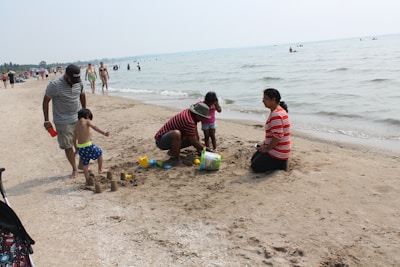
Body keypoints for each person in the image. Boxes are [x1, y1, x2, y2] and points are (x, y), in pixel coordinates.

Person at [42, 64, 86, 178]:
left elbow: (82, 95)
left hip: (77, 116)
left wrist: (84, 112)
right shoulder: (55, 85)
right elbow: (46, 101)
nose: (74, 82)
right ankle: (74, 169)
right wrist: (46, 120)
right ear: (66, 76)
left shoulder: (78, 82)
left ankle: (82, 165)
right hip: (62, 120)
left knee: (83, 141)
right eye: (72, 80)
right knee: (67, 145)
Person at [251, 88, 291, 172]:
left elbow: (278, 137)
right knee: (254, 158)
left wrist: (266, 148)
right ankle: (280, 162)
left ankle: (280, 164)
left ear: (273, 100)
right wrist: (264, 145)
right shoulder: (281, 111)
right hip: (281, 150)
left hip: (279, 152)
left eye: (265, 98)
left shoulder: (276, 115)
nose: (263, 100)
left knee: (255, 166)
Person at [74, 108, 109, 185]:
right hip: (88, 146)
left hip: (81, 147)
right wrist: (104, 133)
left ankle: (87, 180)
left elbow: (74, 138)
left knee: (85, 164)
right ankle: (100, 169)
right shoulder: (87, 121)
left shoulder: (76, 124)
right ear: (87, 116)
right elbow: (95, 127)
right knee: (99, 152)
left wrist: (76, 149)